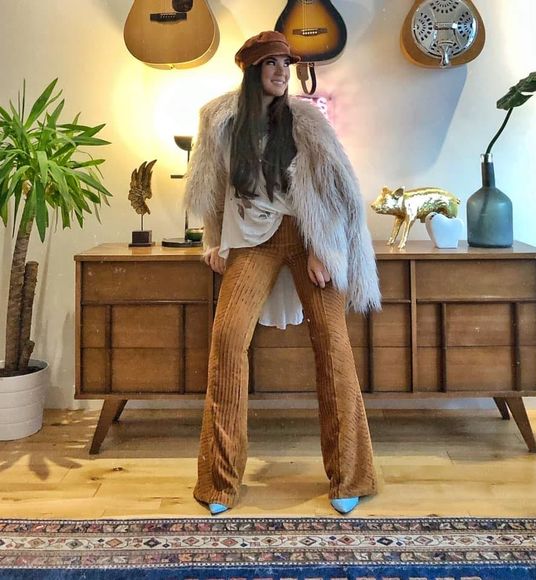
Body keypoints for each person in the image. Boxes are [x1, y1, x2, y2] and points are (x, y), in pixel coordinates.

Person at [184, 30, 381, 516]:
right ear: (252, 70)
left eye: (285, 64)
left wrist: (322, 249)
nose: (281, 71)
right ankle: (218, 482)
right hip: (252, 239)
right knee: (227, 339)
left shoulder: (306, 118)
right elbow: (213, 187)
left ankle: (350, 475)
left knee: (332, 344)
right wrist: (214, 241)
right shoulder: (220, 120)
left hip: (308, 235)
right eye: (271, 63)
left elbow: (333, 187)